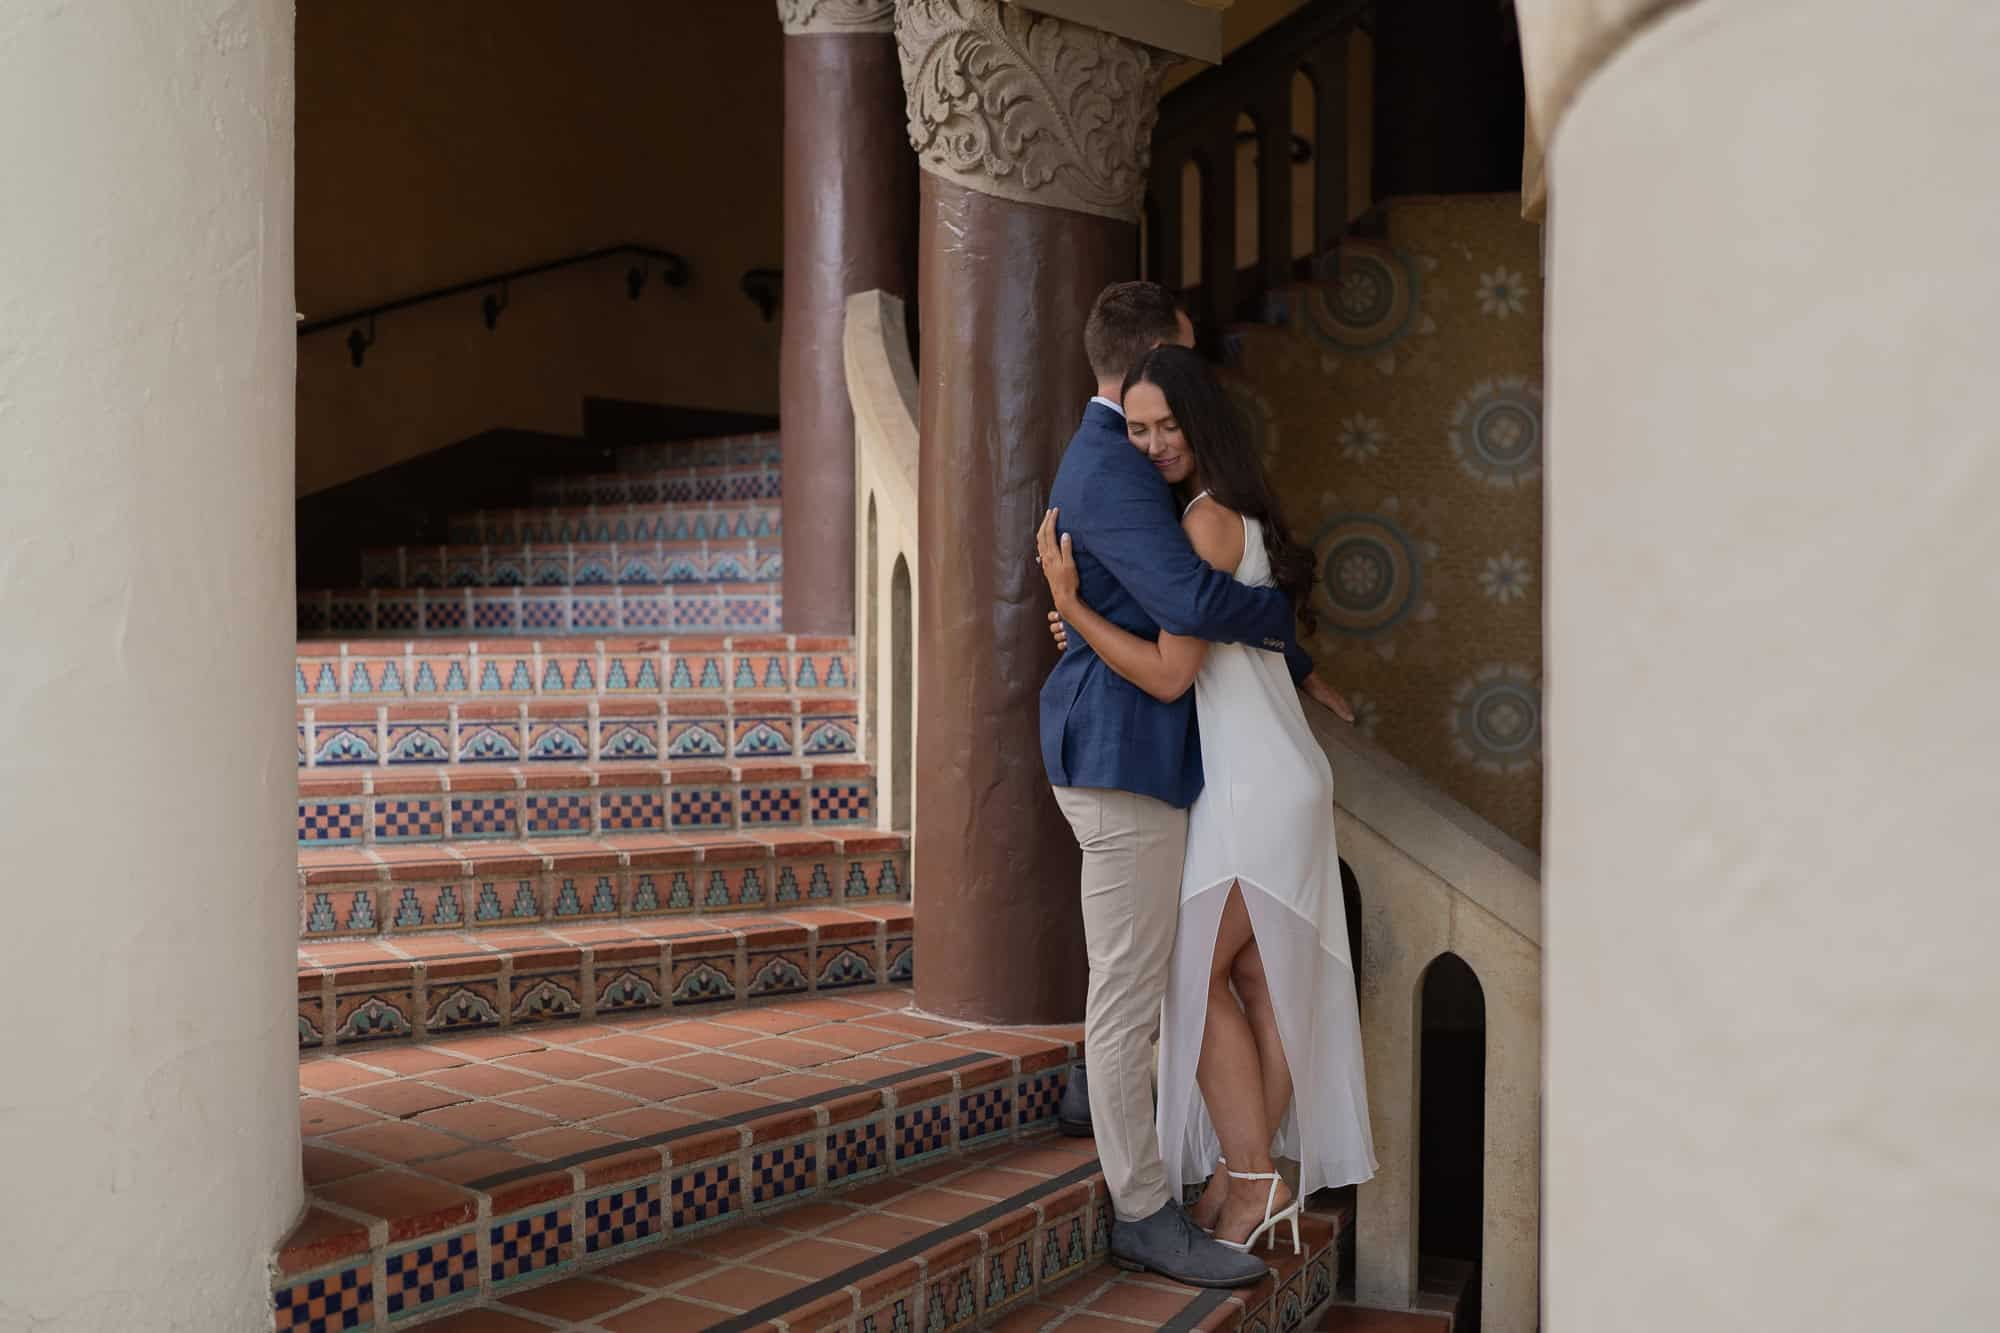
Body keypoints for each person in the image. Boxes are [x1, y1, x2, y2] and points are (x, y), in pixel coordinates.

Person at [1038, 342, 1376, 1256]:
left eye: (1167, 426)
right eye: (1136, 427)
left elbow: (1166, 671)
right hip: (1279, 772)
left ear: (1201, 423)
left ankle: (1251, 1173)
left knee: (1190, 977)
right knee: (1260, 980)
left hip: (1248, 781)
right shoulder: (1231, 515)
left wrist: (1076, 607)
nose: (1149, 445)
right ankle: (1246, 1178)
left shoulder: (1204, 522)